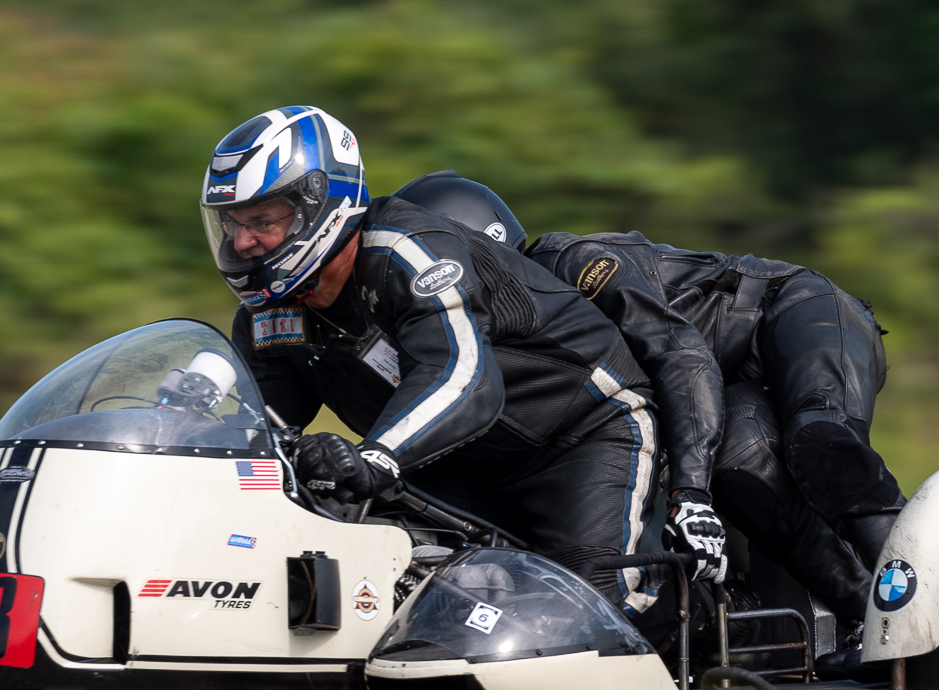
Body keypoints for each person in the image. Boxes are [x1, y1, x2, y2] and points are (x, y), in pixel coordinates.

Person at [401, 172, 903, 667]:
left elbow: (682, 357)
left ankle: (915, 590)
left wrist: (692, 496)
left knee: (821, 436)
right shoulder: (489, 329)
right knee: (742, 466)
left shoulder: (572, 264)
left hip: (789, 310)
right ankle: (861, 613)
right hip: (721, 390)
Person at [201, 106, 685, 610]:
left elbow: (466, 379)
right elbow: (259, 426)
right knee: (405, 591)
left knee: (593, 609)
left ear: (322, 204)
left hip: (579, 436)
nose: (241, 242)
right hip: (450, 459)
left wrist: (374, 456)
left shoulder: (408, 252)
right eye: (231, 224)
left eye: (262, 221)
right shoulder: (268, 312)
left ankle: (727, 631)